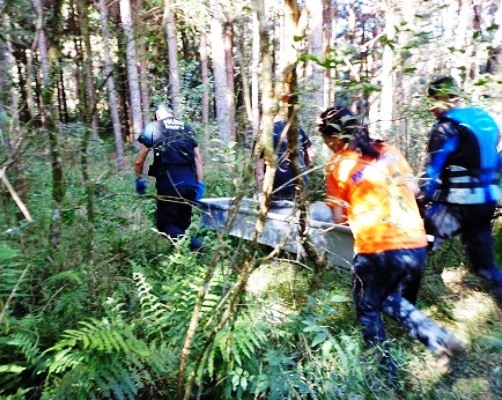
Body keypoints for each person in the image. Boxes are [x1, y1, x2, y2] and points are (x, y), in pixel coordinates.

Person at [318, 106, 464, 381]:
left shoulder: (338, 164)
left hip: (378, 247)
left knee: (368, 306)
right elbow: (416, 190)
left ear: (334, 137)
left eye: (326, 139)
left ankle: (386, 376)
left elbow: (338, 218)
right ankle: (439, 340)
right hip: (415, 242)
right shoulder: (389, 150)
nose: (327, 145)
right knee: (388, 300)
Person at [418, 76, 502, 300]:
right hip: (486, 202)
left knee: (415, 241)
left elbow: (433, 171)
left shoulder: (446, 128)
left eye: (432, 102)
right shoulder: (484, 120)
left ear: (441, 99)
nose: (431, 109)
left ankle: (398, 300)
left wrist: (421, 198)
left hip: (458, 204)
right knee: (485, 267)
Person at [134, 103, 204, 251]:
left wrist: (139, 179)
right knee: (181, 225)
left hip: (169, 185)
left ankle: (197, 246)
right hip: (190, 184)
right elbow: (197, 159)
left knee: (164, 225)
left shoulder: (153, 127)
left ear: (158, 115)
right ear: (172, 114)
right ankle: (185, 259)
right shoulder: (188, 128)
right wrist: (200, 184)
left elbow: (139, 160)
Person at [255, 116, 314, 203]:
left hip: (276, 187)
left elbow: (258, 170)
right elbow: (311, 155)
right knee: (299, 209)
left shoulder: (264, 133)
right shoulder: (298, 129)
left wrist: (261, 194)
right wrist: (303, 170)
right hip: (300, 184)